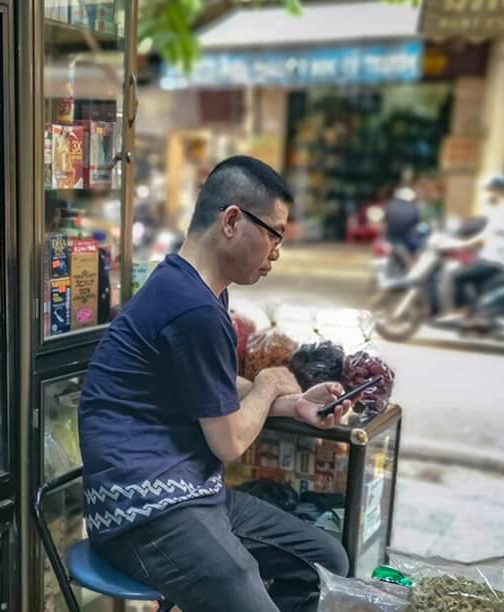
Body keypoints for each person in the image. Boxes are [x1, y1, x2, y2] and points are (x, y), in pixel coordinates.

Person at [79, 155, 353, 612]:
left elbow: (217, 390)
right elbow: (229, 442)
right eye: (275, 234)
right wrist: (267, 385)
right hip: (140, 513)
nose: (277, 252)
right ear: (231, 221)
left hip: (190, 491)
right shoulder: (194, 309)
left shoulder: (190, 287)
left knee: (325, 559)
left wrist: (293, 405)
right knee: (252, 587)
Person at [450, 175, 504, 314]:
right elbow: (478, 225)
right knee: (473, 280)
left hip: (499, 259)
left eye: (490, 190)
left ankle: (459, 312)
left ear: (499, 191)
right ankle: (477, 315)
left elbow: (488, 234)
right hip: (491, 256)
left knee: (456, 276)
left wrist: (464, 244)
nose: (487, 194)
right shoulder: (494, 208)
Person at [384, 186, 423, 252]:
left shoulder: (389, 205)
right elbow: (416, 222)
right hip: (407, 239)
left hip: (391, 237)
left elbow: (385, 220)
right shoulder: (414, 208)